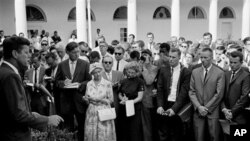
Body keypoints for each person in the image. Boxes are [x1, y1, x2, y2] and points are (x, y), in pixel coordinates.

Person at [0, 36, 63, 141]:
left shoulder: (5, 71)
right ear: (15, 54)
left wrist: (32, 114)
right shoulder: (10, 76)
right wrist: (47, 120)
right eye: (26, 52)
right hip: (14, 136)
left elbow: (11, 109)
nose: (29, 56)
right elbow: (19, 115)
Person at [55, 42, 91, 141]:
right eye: (74, 52)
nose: (77, 54)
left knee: (82, 125)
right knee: (68, 127)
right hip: (66, 100)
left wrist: (80, 85)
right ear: (67, 52)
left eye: (78, 52)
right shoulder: (62, 65)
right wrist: (63, 83)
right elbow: (56, 82)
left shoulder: (85, 64)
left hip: (79, 99)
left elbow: (89, 80)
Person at [189, 47, 225, 141]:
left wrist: (207, 108)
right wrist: (199, 107)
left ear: (211, 57)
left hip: (213, 112)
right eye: (201, 58)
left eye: (206, 58)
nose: (203, 60)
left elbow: (219, 93)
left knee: (214, 137)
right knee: (198, 138)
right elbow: (191, 91)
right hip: (198, 111)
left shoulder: (220, 72)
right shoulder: (195, 72)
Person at [157, 48, 191, 141]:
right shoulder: (163, 70)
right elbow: (159, 89)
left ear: (179, 57)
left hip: (177, 105)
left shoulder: (186, 72)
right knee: (163, 132)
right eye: (170, 56)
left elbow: (183, 93)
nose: (170, 59)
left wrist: (174, 109)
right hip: (164, 104)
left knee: (175, 134)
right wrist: (159, 105)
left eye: (173, 57)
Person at [83, 62, 116, 141]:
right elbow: (87, 99)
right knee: (91, 133)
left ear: (102, 71)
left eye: (99, 72)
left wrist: (100, 100)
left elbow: (111, 100)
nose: (97, 74)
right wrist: (85, 99)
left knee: (104, 134)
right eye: (95, 73)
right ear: (92, 74)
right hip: (92, 111)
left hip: (104, 110)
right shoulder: (89, 84)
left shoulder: (107, 83)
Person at [221, 51, 250, 141]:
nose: (232, 65)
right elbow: (220, 94)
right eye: (231, 62)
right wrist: (224, 109)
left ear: (241, 63)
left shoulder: (246, 76)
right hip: (224, 115)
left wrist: (232, 112)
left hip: (239, 117)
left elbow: (244, 97)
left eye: (235, 63)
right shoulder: (226, 74)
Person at [118, 61, 144, 141]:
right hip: (123, 108)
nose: (130, 74)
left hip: (135, 109)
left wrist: (130, 102)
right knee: (123, 130)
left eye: (132, 72)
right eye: (129, 72)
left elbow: (140, 97)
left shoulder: (140, 81)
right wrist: (122, 99)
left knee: (134, 131)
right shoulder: (123, 81)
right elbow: (119, 93)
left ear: (137, 72)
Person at [101, 56, 124, 140]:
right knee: (106, 123)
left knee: (117, 123)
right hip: (105, 103)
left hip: (117, 101)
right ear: (102, 63)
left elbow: (124, 88)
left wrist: (118, 85)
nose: (107, 64)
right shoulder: (99, 74)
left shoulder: (119, 74)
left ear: (112, 63)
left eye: (109, 62)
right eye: (105, 62)